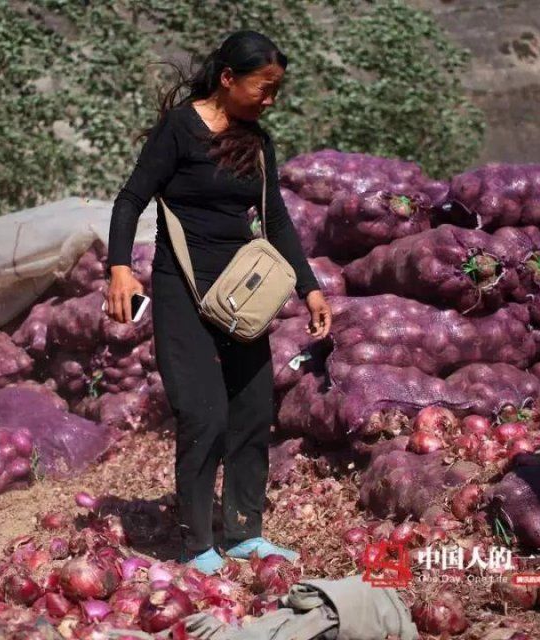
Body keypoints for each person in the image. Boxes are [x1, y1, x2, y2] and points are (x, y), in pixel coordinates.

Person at [104, 30, 332, 575]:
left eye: (278, 89)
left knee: (252, 410)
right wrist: (118, 268)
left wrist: (310, 286)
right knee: (202, 413)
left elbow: (274, 219)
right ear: (228, 78)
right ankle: (197, 544)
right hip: (180, 288)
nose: (271, 99)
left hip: (241, 295)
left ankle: (246, 533)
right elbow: (131, 198)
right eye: (264, 86)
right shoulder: (178, 130)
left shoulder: (257, 142)